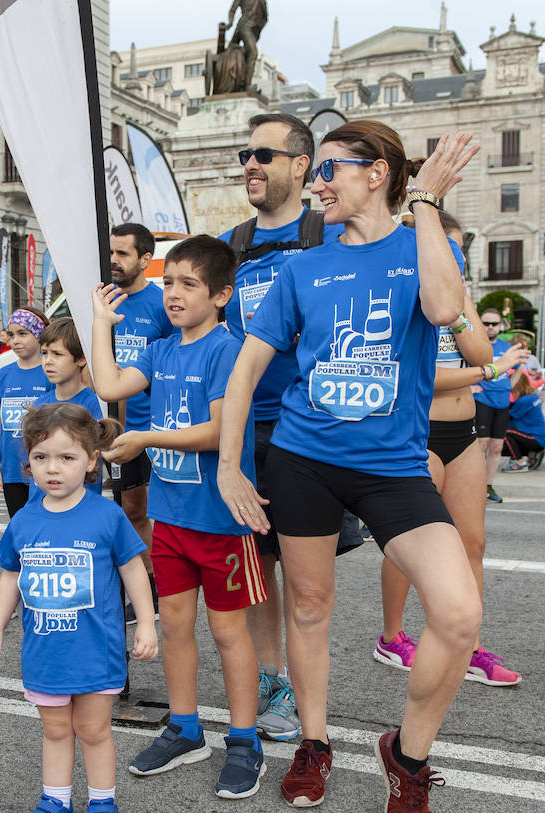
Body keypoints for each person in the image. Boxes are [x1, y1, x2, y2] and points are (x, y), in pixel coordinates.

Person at [217, 121, 483, 813]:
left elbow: (443, 311)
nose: (317, 183)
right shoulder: (303, 267)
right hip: (303, 459)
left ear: (379, 173)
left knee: (457, 613)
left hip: (394, 468)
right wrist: (231, 464)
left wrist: (424, 202)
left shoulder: (425, 244)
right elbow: (245, 372)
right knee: (308, 607)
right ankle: (314, 742)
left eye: (331, 169)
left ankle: (408, 754)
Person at [92, 235, 268, 801]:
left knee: (227, 630)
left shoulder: (228, 348)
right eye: (168, 281)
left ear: (221, 294)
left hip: (222, 521)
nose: (173, 293)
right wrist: (100, 321)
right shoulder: (162, 348)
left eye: (188, 283)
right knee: (173, 625)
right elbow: (109, 384)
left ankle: (244, 741)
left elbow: (220, 431)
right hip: (170, 519)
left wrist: (144, 437)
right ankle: (185, 727)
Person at [219, 112, 351, 742]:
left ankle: (309, 688)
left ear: (302, 166)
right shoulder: (231, 243)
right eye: (247, 153)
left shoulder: (332, 233)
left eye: (265, 154)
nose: (251, 163)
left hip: (316, 425)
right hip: (250, 428)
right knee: (257, 562)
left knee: (307, 577)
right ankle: (274, 680)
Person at [0, 402, 158, 813]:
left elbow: (135, 569)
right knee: (56, 731)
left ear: (92, 460)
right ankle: (57, 804)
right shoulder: (25, 520)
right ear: (29, 462)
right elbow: (11, 575)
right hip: (45, 653)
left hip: (95, 651)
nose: (52, 469)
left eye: (66, 458)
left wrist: (147, 623)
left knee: (95, 731)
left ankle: (103, 807)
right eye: (41, 458)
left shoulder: (106, 516)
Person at [376, 210, 522, 689]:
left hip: (464, 435)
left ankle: (470, 646)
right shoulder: (400, 298)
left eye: (456, 250)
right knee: (408, 547)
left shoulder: (456, 299)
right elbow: (422, 377)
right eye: (443, 247)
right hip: (418, 434)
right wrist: (489, 373)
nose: (452, 257)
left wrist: (458, 305)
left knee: (473, 544)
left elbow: (480, 351)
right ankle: (393, 636)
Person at [105, 223, 174, 616]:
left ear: (145, 260)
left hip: (158, 427)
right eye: (111, 252)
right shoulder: (103, 300)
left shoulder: (161, 303)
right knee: (126, 510)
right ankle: (145, 586)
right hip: (114, 428)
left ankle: (163, 585)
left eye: (123, 254)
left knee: (154, 511)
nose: (113, 261)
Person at [0, 307, 53, 517]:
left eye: (23, 333)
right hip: (12, 471)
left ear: (40, 334)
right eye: (11, 334)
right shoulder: (3, 375)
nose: (15, 340)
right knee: (18, 528)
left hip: (45, 469)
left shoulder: (51, 372)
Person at [31, 318, 104, 499]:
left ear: (80, 358)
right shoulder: (39, 405)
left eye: (57, 354)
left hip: (79, 506)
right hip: (40, 503)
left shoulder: (94, 405)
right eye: (44, 353)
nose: (48, 361)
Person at [474, 307, 523, 503]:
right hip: (483, 400)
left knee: (496, 447)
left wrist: (509, 387)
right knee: (481, 445)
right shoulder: (477, 345)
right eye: (486, 323)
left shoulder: (505, 347)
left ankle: (488, 485)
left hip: (502, 402)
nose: (490, 327)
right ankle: (475, 485)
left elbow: (519, 368)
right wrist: (471, 386)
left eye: (494, 324)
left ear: (500, 326)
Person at [501, 369, 545, 471]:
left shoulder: (524, 400)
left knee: (505, 434)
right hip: (538, 438)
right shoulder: (531, 396)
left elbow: (509, 418)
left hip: (535, 438)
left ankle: (519, 462)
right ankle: (531, 453)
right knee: (506, 438)